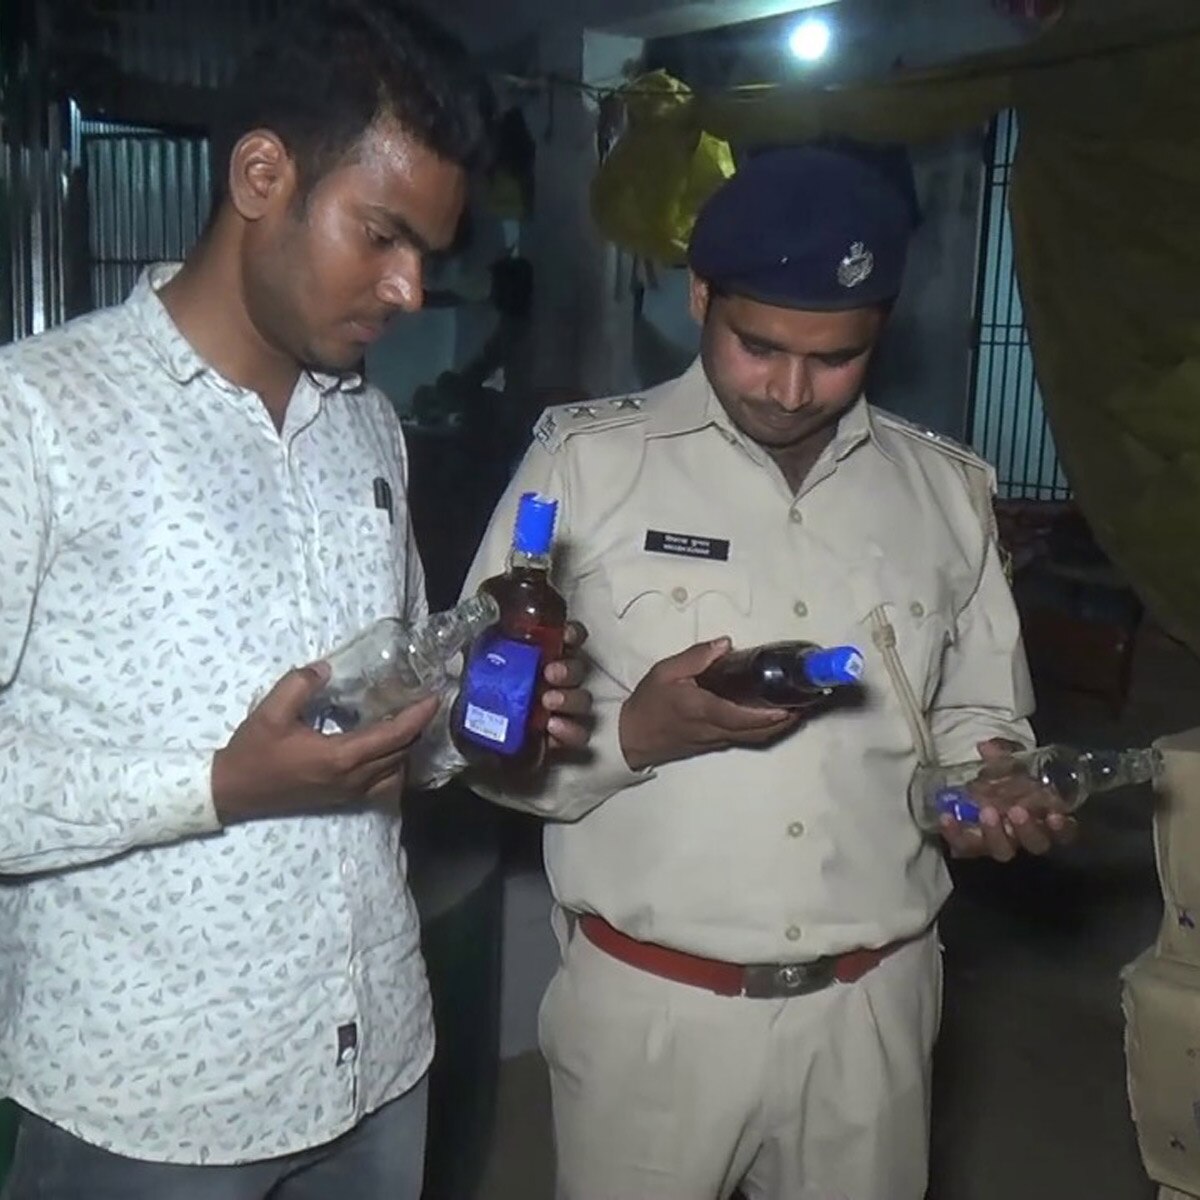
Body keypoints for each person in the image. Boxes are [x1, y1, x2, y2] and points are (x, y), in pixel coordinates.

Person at [0, 3, 591, 1198]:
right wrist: (222, 786)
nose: (411, 288)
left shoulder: (370, 427)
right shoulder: (36, 419)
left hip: (379, 1062)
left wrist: (477, 729)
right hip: (148, 1104)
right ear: (263, 174)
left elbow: (386, 745)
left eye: (431, 249)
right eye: (382, 233)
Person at [462, 145, 1075, 1200]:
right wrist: (642, 730)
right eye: (757, 346)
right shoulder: (584, 471)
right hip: (653, 1020)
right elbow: (479, 742)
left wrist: (993, 776)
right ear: (699, 293)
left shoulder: (944, 494)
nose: (792, 389)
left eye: (838, 358)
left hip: (872, 1015)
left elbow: (979, 709)